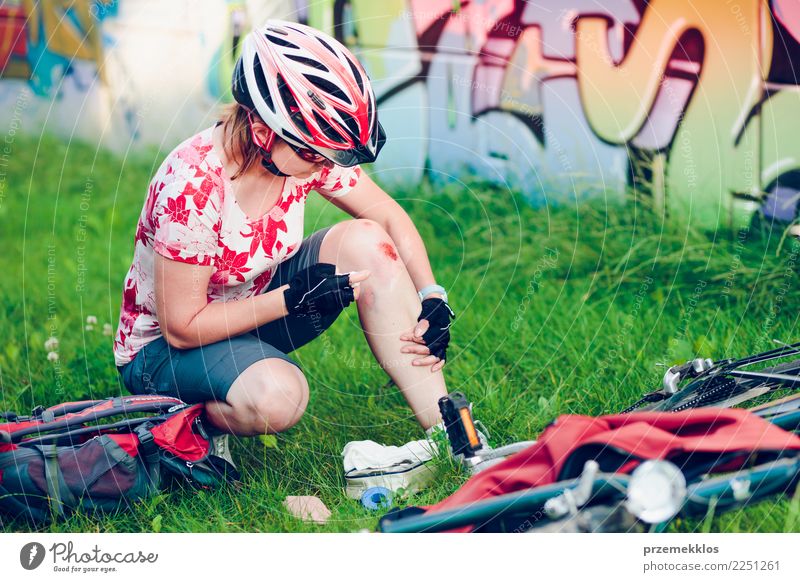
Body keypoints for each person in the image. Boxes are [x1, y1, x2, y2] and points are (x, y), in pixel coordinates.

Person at [113, 20, 456, 458]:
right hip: (164, 351)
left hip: (246, 310)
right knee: (281, 397)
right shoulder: (194, 185)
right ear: (262, 132)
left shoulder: (302, 153)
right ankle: (179, 424)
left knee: (369, 241)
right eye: (315, 154)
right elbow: (183, 328)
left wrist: (431, 295)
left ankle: (451, 436)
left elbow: (388, 216)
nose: (324, 166)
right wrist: (293, 299)